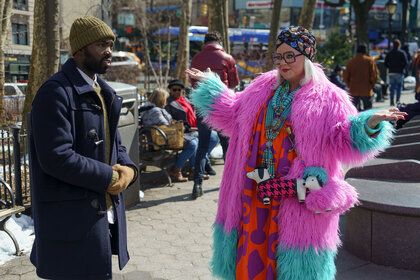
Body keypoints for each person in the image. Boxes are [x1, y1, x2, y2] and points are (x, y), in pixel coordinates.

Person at [185, 26, 406, 280]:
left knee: (293, 267)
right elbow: (233, 113)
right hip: (256, 189)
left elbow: (344, 137)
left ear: (307, 57)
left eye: (290, 55)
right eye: (278, 56)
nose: (283, 63)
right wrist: (211, 87)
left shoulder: (329, 98)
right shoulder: (262, 87)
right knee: (253, 253)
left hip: (297, 195)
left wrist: (369, 124)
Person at [29, 16, 138, 280]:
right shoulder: (55, 92)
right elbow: (56, 157)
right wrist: (109, 177)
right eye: (102, 44)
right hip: (70, 223)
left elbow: (116, 147)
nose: (109, 51)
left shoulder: (102, 90)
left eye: (111, 44)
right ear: (80, 49)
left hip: (98, 218)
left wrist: (128, 170)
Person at [190, 31, 239, 199]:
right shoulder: (227, 58)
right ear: (220, 42)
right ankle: (231, 184)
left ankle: (197, 184)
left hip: (202, 107)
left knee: (202, 146)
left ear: (205, 42)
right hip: (222, 108)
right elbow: (234, 83)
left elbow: (193, 82)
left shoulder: (196, 58)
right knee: (227, 146)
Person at [165, 79, 218, 182]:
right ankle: (195, 168)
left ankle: (203, 160)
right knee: (195, 143)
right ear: (170, 90)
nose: (177, 92)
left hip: (196, 127)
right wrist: (187, 127)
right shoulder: (168, 103)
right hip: (184, 131)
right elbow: (170, 120)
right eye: (174, 89)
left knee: (214, 137)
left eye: (179, 90)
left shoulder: (185, 99)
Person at [343, 44, 379, 111]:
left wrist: (349, 85)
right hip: (366, 89)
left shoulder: (351, 61)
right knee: (368, 111)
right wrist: (371, 85)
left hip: (353, 89)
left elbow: (345, 76)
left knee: (353, 111)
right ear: (365, 51)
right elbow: (374, 75)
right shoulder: (369, 61)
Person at [385, 39, 409, 106]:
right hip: (399, 72)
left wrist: (389, 67)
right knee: (399, 87)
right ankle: (398, 100)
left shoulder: (389, 53)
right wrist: (403, 68)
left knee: (392, 87)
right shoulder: (402, 53)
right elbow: (406, 62)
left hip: (391, 72)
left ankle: (391, 100)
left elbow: (385, 62)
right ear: (399, 45)